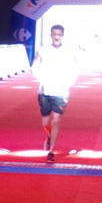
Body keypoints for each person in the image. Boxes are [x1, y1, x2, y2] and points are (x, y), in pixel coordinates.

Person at [33, 24, 79, 164]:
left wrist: (69, 82)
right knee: (45, 122)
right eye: (54, 34)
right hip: (45, 90)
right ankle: (49, 136)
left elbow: (75, 67)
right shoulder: (43, 49)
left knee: (56, 120)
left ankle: (51, 152)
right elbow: (34, 65)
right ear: (51, 35)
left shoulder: (69, 51)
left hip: (61, 91)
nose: (56, 36)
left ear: (62, 35)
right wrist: (40, 78)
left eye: (59, 34)